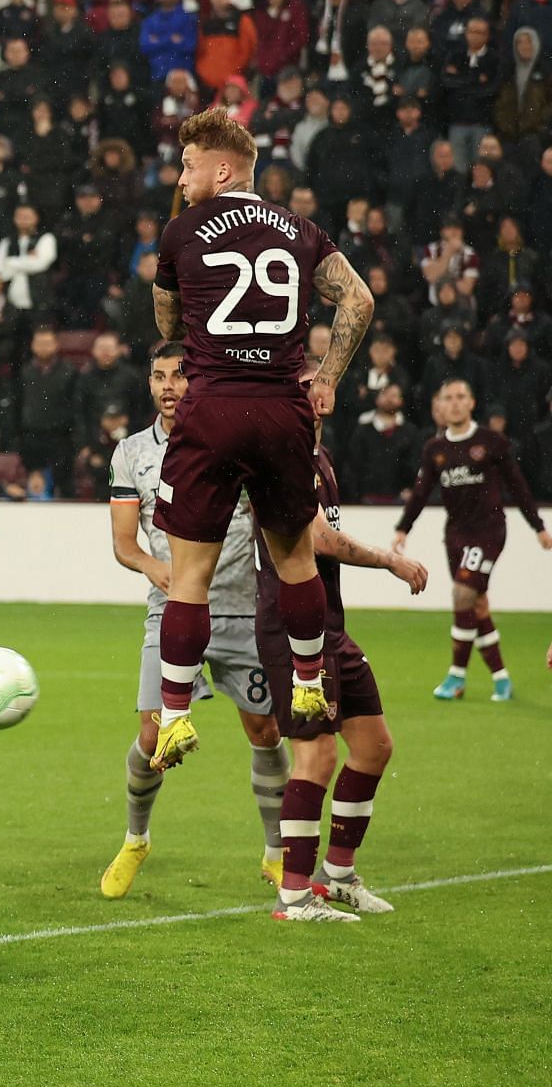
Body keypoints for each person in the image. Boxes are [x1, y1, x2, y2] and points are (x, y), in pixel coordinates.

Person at [147, 109, 375, 772]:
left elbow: (165, 320)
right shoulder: (302, 230)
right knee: (295, 558)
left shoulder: (182, 230)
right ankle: (307, 684)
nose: (181, 178)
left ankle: (176, 719)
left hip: (213, 406)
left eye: (189, 167)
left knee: (190, 576)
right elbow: (358, 301)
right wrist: (325, 378)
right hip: (282, 408)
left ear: (222, 169)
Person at [102, 343, 287, 897]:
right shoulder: (131, 453)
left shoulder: (237, 443)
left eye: (179, 376)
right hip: (172, 610)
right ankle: (137, 839)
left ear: (198, 380)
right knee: (154, 736)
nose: (168, 387)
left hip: (241, 609)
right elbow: (123, 544)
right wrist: (154, 567)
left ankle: (276, 852)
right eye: (158, 377)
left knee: (265, 730)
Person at [257, 421, 427, 922]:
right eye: (305, 387)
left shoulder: (321, 455)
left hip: (331, 626)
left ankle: (338, 875)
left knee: (374, 747)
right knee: (317, 756)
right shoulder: (280, 458)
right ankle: (293, 897)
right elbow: (317, 537)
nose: (315, 397)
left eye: (320, 386)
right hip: (293, 630)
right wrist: (389, 560)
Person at [392, 379, 551, 703]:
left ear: (472, 403)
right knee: (476, 604)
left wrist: (538, 526)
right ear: (439, 405)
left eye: (460, 396)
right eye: (448, 397)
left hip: (489, 531)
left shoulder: (492, 442)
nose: (454, 403)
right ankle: (501, 679)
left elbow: (517, 486)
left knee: (463, 593)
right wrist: (402, 528)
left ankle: (456, 676)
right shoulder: (434, 449)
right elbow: (421, 491)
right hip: (455, 536)